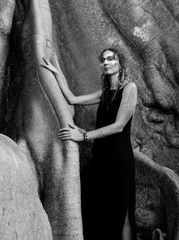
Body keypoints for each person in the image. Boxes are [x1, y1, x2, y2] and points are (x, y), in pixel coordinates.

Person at [41, 48, 137, 240]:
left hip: (118, 161)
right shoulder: (104, 93)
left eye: (111, 58)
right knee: (88, 200)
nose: (107, 62)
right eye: (103, 60)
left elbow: (118, 127)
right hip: (100, 158)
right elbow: (72, 98)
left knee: (117, 212)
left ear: (120, 63)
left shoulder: (130, 88)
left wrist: (84, 136)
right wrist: (56, 72)